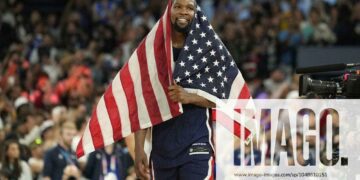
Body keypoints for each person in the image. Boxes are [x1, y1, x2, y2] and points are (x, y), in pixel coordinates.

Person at [135, 0, 215, 179]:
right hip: (162, 150)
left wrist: (190, 97)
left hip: (196, 143)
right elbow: (143, 102)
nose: (183, 12)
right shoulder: (152, 52)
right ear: (168, 11)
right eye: (178, 6)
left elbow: (221, 98)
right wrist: (139, 147)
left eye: (189, 8)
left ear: (196, 13)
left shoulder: (207, 50)